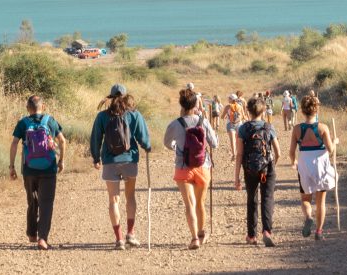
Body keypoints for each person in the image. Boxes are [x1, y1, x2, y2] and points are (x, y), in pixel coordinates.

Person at [90, 84, 152, 250]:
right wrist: (147, 146)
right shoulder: (134, 115)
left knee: (114, 199)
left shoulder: (102, 116)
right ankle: (130, 234)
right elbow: (143, 137)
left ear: (110, 98)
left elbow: (96, 138)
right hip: (129, 160)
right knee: (130, 196)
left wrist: (96, 157)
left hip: (110, 162)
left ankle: (119, 239)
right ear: (126, 97)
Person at [164, 87, 219, 249]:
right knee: (200, 203)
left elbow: (167, 143)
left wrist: (176, 147)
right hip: (203, 166)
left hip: (182, 167)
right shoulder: (203, 121)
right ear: (196, 104)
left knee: (189, 205)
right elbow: (214, 144)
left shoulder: (175, 124)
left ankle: (194, 238)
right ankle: (202, 233)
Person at [9, 95, 66, 250]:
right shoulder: (50, 121)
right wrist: (61, 161)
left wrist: (11, 166)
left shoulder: (23, 123)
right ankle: (42, 238)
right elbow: (62, 140)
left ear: (28, 108)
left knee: (32, 201)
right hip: (48, 169)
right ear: (43, 106)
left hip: (29, 170)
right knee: (46, 203)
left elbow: (14, 143)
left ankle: (32, 234)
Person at [289, 95, 338, 241]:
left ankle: (308, 217)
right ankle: (319, 231)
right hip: (321, 166)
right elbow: (330, 150)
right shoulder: (323, 127)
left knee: (305, 198)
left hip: (304, 164)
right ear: (316, 110)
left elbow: (291, 151)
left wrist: (294, 161)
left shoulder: (297, 129)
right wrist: (335, 141)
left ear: (302, 111)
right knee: (320, 201)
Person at [234, 96, 281, 247]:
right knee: (267, 198)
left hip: (249, 168)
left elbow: (239, 154)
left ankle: (251, 235)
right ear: (263, 111)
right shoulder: (269, 127)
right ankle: (267, 231)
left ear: (248, 111)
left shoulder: (243, 128)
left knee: (251, 200)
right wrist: (272, 165)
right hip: (267, 167)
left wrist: (237, 177)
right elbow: (278, 152)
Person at [224, 93, 243, 161]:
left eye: (229, 98)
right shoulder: (240, 106)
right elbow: (242, 116)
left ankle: (234, 154)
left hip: (230, 124)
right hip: (239, 124)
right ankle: (239, 154)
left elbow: (222, 116)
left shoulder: (227, 107)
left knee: (232, 140)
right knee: (238, 139)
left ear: (231, 99)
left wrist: (226, 116)